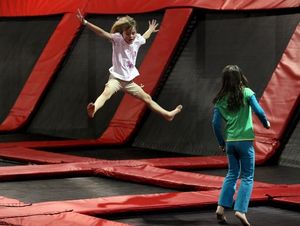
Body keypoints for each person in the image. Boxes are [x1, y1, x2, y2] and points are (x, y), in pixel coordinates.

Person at [76, 10, 182, 121]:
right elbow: (102, 33)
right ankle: (94, 109)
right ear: (122, 33)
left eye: (133, 33)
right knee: (106, 93)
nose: (131, 36)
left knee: (147, 98)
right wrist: (86, 23)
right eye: (128, 34)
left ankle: (168, 115)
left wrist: (150, 30)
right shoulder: (117, 39)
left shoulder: (137, 40)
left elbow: (145, 37)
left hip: (128, 82)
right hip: (116, 79)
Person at [212, 65, 270, 226]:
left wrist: (221, 143)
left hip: (230, 142)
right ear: (240, 77)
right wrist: (266, 124)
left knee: (231, 174)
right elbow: (259, 111)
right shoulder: (247, 92)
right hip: (245, 142)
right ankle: (240, 210)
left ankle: (221, 208)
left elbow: (215, 124)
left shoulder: (220, 99)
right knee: (247, 177)